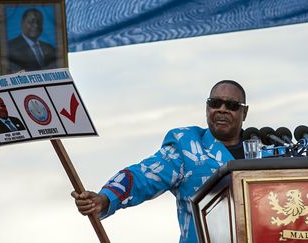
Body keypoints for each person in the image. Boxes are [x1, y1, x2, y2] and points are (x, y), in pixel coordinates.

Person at [71, 80, 249, 242]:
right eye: (215, 103)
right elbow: (142, 176)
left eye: (232, 105)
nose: (222, 109)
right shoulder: (186, 145)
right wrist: (106, 198)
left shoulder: (264, 151)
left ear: (244, 112)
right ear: (207, 107)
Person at [7, 8, 56, 73]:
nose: (36, 25)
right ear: (22, 23)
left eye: (39, 22)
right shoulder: (10, 48)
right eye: (31, 22)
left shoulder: (49, 48)